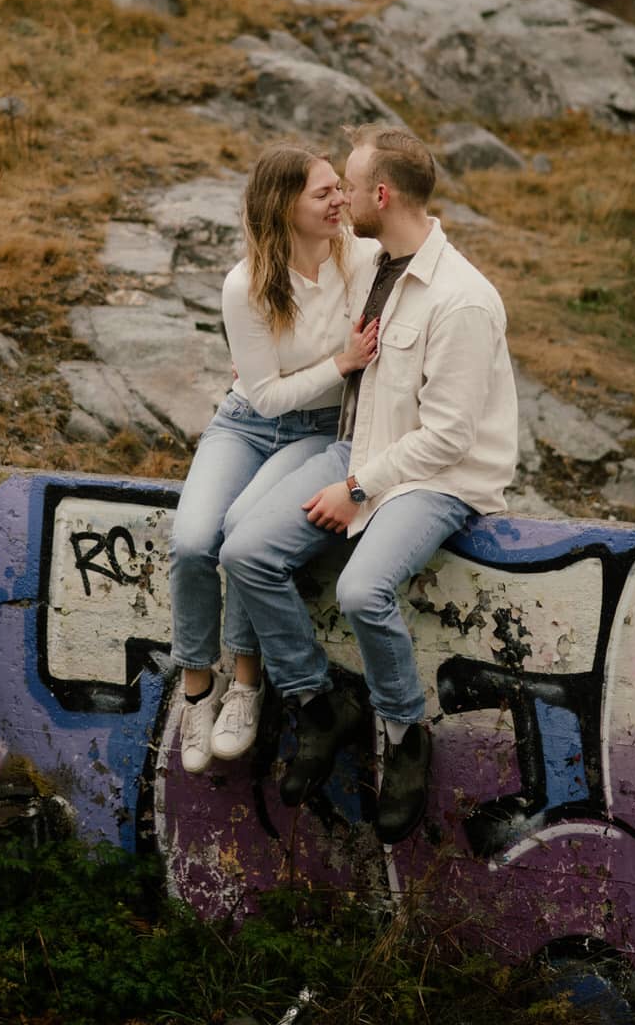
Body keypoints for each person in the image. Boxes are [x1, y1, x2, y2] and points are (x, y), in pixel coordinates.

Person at [220, 125, 518, 841]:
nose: (339, 198)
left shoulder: (462, 300)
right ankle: (319, 704)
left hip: (437, 480)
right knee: (243, 554)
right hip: (365, 452)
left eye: (348, 186)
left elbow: (446, 440)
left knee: (360, 590)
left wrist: (356, 488)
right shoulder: (377, 262)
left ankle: (404, 731)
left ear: (380, 195)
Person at [171, 142, 380, 775]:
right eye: (324, 193)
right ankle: (195, 690)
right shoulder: (247, 284)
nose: (340, 200)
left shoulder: (364, 260)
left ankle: (245, 682)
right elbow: (263, 395)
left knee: (242, 534)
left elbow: (427, 247)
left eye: (338, 188)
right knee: (190, 540)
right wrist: (341, 364)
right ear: (283, 207)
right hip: (248, 424)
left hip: (320, 431)